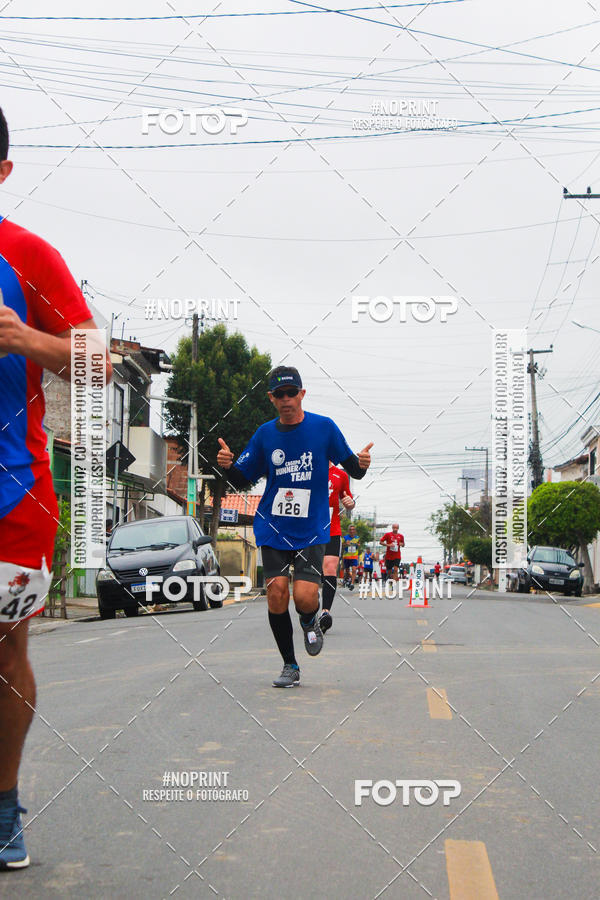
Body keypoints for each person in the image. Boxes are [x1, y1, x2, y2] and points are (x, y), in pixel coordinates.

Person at [0, 107, 113, 871]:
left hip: (11, 496)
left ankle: (4, 807)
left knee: (6, 651)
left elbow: (98, 364)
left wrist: (28, 340)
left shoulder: (28, 255)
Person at [217, 366, 372, 688]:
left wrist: (363, 464)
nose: (286, 399)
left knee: (303, 597)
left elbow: (353, 470)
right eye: (280, 394)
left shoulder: (324, 428)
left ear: (302, 394)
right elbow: (243, 479)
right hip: (273, 525)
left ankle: (307, 620)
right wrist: (228, 466)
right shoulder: (264, 434)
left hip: (313, 527)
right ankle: (290, 665)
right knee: (276, 593)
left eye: (292, 393)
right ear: (272, 398)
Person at [319, 462, 355, 635]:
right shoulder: (307, 469)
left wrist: (350, 502)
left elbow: (348, 499)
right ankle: (309, 611)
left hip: (332, 529)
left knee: (330, 568)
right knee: (311, 576)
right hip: (307, 531)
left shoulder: (340, 475)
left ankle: (325, 612)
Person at [341, 524, 360, 590]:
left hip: (354, 556)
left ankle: (352, 583)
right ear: (348, 531)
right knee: (347, 571)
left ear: (355, 531)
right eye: (350, 530)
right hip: (346, 557)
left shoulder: (357, 538)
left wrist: (358, 544)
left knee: (354, 569)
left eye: (353, 529)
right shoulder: (345, 538)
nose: (352, 531)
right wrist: (346, 544)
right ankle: (346, 580)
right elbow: (341, 545)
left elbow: (359, 544)